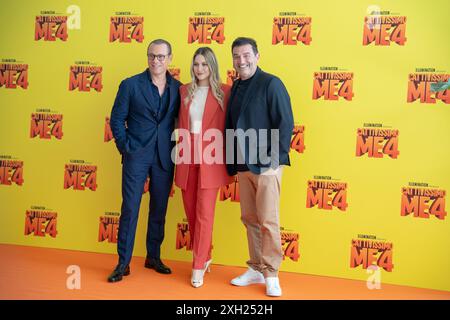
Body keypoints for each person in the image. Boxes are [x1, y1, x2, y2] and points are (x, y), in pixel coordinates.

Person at [225, 37, 294, 297]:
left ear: (257, 55)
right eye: (236, 56)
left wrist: (273, 163)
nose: (241, 60)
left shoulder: (271, 83)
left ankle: (272, 273)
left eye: (245, 55)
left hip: (267, 166)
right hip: (243, 165)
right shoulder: (237, 85)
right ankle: (256, 268)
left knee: (268, 220)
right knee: (250, 219)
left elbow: (285, 123)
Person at [108, 39, 181, 282]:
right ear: (147, 57)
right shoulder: (130, 85)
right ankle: (123, 263)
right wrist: (126, 147)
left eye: (161, 56)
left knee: (159, 209)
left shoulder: (178, 88)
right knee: (130, 208)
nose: (155, 60)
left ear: (170, 58)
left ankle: (153, 257)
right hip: (136, 155)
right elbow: (116, 120)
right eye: (151, 55)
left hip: (164, 157)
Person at [174, 47, 232, 288]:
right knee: (191, 212)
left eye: (204, 65)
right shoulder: (184, 90)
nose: (199, 69)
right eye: (196, 64)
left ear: (212, 67)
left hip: (212, 157)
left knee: (205, 214)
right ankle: (206, 255)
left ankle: (197, 266)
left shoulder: (226, 92)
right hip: (187, 155)